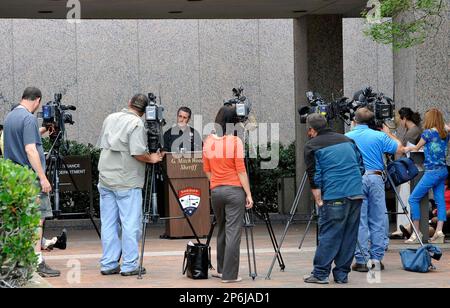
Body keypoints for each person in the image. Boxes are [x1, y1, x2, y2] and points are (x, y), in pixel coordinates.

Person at [97, 94, 162, 276]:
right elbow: (138, 153)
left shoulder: (110, 118)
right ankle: (130, 265)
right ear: (144, 111)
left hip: (105, 178)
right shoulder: (136, 124)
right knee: (130, 223)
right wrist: (153, 158)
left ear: (129, 103)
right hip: (127, 180)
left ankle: (108, 263)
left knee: (108, 223)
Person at [3, 87, 60, 277]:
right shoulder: (28, 118)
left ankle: (20, 261)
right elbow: (30, 149)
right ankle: (37, 261)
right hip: (30, 179)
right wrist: (43, 177)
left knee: (22, 221)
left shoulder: (11, 116)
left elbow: (22, 139)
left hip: (16, 179)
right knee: (37, 220)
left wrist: (42, 130)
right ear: (37, 100)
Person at [302, 114, 365, 284]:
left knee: (330, 234)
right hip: (356, 193)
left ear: (311, 130)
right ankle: (342, 275)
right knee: (349, 235)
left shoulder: (311, 145)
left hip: (334, 195)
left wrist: (318, 199)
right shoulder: (347, 140)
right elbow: (361, 166)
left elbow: (314, 175)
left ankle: (321, 274)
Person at [346, 107, 406, 272]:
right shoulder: (379, 136)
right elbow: (399, 148)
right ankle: (376, 259)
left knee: (360, 219)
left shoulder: (347, 137)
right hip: (376, 177)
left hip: (356, 179)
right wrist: (388, 132)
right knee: (378, 217)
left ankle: (362, 259)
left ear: (354, 121)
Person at [202, 105, 253, 283]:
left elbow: (206, 170)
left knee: (222, 228)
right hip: (234, 191)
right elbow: (241, 170)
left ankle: (221, 268)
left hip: (216, 191)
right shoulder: (235, 142)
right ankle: (229, 275)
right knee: (233, 231)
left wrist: (216, 182)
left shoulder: (208, 141)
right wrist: (249, 194)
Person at [405, 108, 449, 244]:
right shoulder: (445, 133)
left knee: (413, 199)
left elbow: (416, 148)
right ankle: (439, 232)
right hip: (443, 170)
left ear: (430, 119)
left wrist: (405, 148)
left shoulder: (427, 133)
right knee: (440, 201)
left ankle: (416, 232)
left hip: (432, 171)